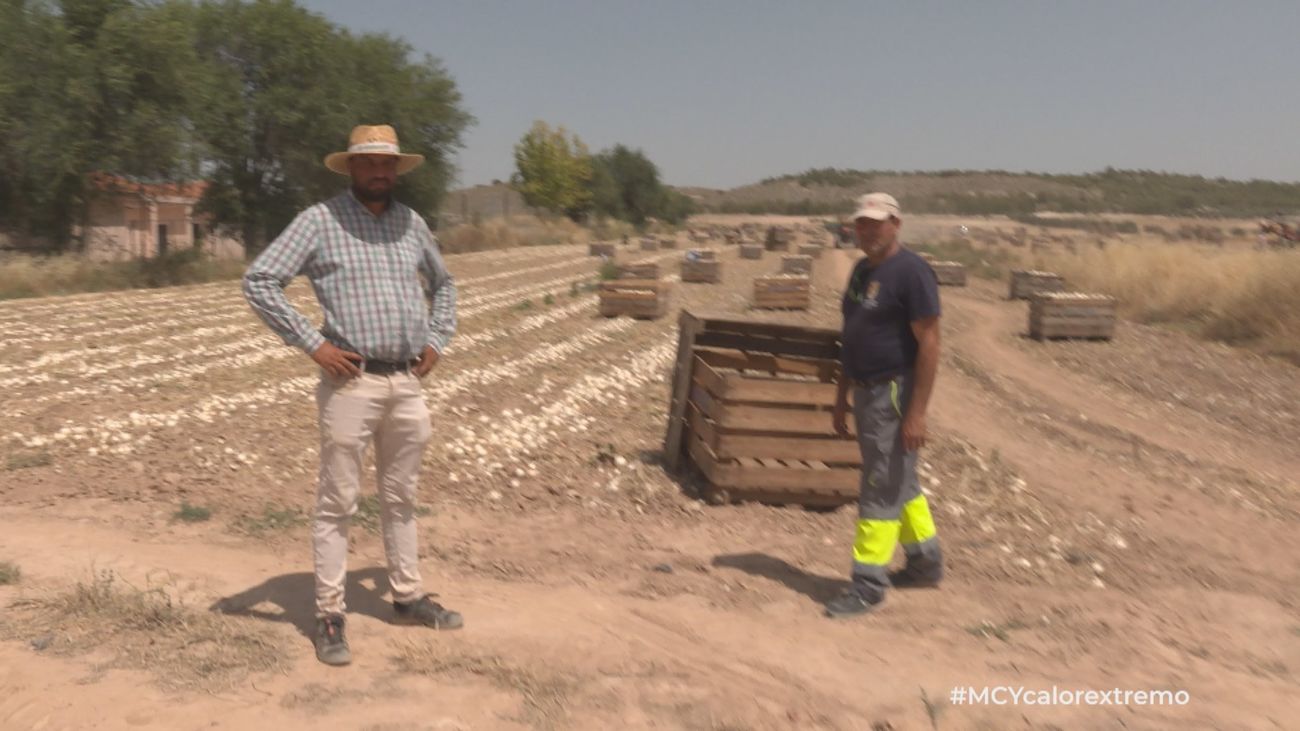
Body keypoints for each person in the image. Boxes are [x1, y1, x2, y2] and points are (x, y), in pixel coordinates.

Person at [243, 124, 460, 665]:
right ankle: (330, 615)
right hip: (352, 382)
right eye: (368, 164)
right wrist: (313, 345)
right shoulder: (319, 221)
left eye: (387, 164)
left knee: (402, 498)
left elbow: (445, 284)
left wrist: (436, 339)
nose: (380, 173)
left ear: (396, 169)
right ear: (351, 168)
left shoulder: (412, 224)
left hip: (406, 382)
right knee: (337, 502)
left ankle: (407, 598)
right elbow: (260, 279)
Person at [826, 192, 944, 618]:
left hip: (892, 391)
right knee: (900, 480)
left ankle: (867, 584)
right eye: (861, 223)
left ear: (896, 223)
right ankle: (925, 561)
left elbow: (930, 343)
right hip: (864, 391)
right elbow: (851, 332)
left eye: (876, 222)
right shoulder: (861, 271)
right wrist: (841, 396)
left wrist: (916, 412)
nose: (867, 230)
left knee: (879, 485)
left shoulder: (912, 272)